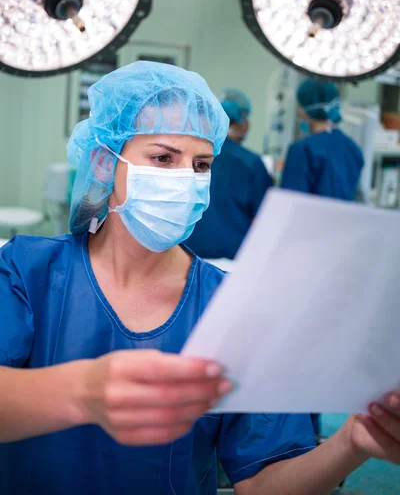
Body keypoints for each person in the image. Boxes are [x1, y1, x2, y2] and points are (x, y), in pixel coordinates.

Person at [0, 62, 399, 495]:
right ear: (103, 161)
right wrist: (84, 392)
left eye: (201, 164)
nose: (185, 180)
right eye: (162, 158)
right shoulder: (27, 272)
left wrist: (350, 442)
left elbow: (263, 483)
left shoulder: (233, 306)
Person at [281, 79, 364, 437]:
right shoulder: (352, 149)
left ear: (302, 109)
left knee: (295, 347)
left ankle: (298, 433)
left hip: (308, 260)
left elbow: (289, 211)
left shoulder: (303, 151)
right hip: (341, 257)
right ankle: (312, 427)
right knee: (318, 346)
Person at [186, 88, 273, 260]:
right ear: (242, 121)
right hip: (234, 259)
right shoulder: (250, 162)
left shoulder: (189, 155)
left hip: (186, 255)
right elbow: (266, 219)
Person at [281, 79, 364, 200]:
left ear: (305, 110)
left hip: (309, 218)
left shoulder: (302, 150)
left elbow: (288, 202)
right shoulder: (352, 148)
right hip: (342, 218)